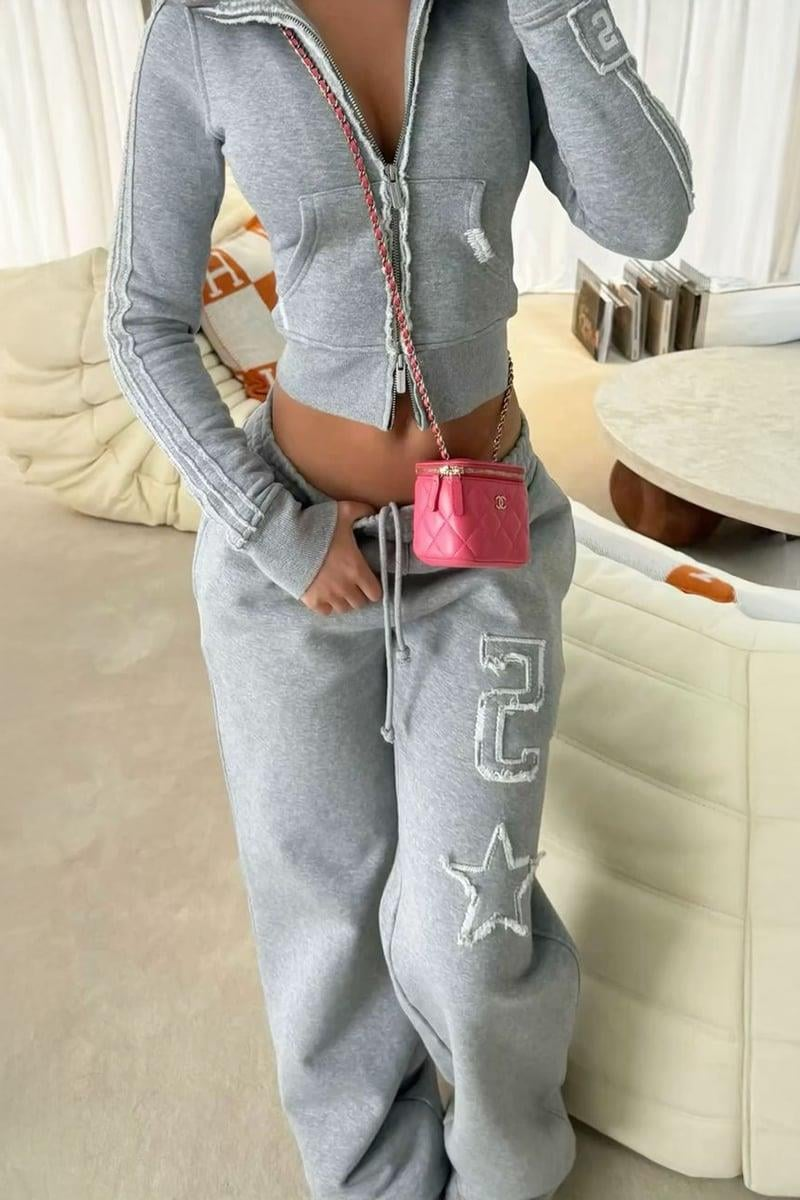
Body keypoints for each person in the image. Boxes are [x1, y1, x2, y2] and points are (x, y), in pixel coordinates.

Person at [104, 1, 694, 1197]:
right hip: (295, 561)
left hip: (481, 546)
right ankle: (371, 1177)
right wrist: (273, 528)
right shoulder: (203, 31)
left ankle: (506, 1171)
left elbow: (648, 218)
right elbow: (141, 317)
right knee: (320, 916)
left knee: (466, 927)